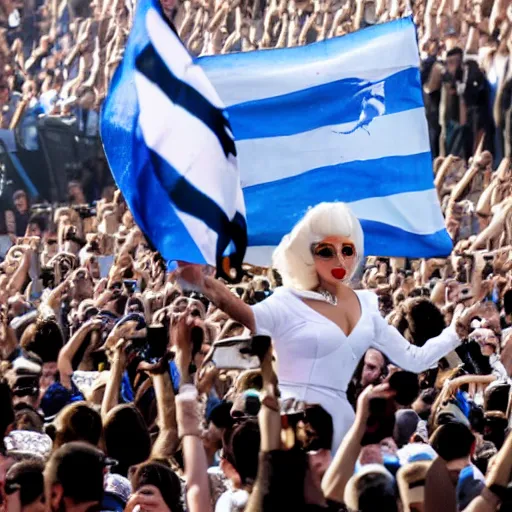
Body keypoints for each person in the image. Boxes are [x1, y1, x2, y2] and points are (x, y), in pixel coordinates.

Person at [178, 202, 478, 449]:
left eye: (347, 250)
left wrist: (456, 332)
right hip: (293, 425)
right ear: (308, 256)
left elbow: (414, 359)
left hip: (344, 425)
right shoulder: (288, 302)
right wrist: (204, 283)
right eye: (326, 251)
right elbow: (245, 314)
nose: (338, 259)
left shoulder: (367, 308)